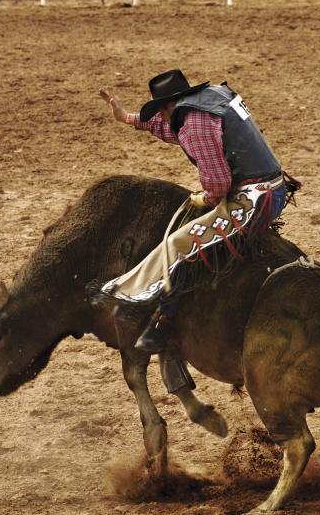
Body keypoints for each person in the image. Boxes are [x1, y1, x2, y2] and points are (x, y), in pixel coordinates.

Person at [98, 69, 298, 354]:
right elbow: (170, 129)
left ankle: (162, 320)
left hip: (253, 199)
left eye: (160, 110)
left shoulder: (194, 125)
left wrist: (207, 198)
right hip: (271, 186)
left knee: (178, 243)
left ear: (169, 106)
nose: (163, 118)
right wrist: (128, 117)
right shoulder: (213, 97)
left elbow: (218, 183)